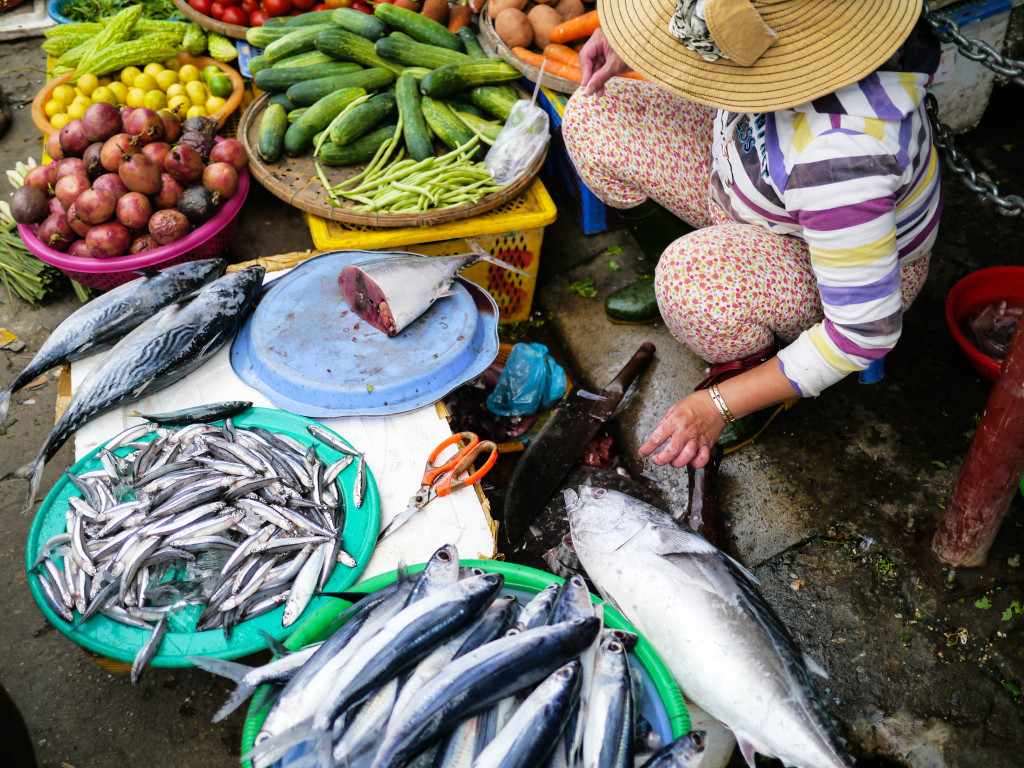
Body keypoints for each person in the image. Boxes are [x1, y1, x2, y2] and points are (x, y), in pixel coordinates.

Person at [561, 0, 942, 469]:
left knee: (690, 281)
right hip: (749, 180)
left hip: (828, 264)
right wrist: (640, 42)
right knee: (594, 115)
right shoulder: (800, 26)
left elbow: (863, 334)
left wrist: (718, 405)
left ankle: (749, 377)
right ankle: (699, 295)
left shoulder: (843, 157)